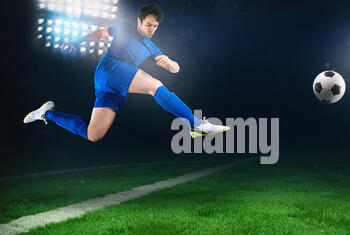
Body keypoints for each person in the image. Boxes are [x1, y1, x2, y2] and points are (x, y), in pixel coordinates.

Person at [24, 3, 229, 141]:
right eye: (148, 24)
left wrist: (172, 64)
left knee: (93, 134)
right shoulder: (124, 27)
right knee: (155, 86)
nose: (151, 29)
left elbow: (174, 67)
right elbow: (101, 33)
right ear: (139, 21)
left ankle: (48, 113)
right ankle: (195, 124)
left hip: (114, 87)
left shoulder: (151, 47)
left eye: (155, 26)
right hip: (110, 69)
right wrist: (76, 42)